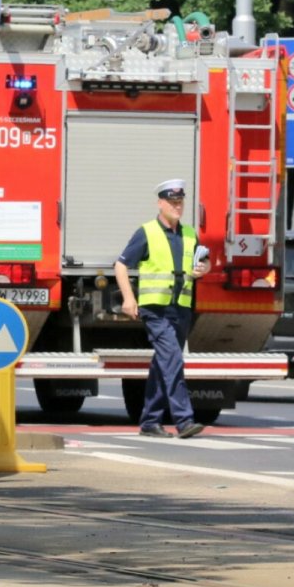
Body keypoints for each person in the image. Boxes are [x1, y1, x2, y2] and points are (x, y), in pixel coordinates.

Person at [114, 178, 211, 438]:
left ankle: (149, 421)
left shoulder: (190, 233)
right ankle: (184, 420)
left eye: (180, 202)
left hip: (181, 308)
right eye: (172, 202)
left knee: (162, 364)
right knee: (173, 360)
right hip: (154, 309)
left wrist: (204, 269)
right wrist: (128, 299)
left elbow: (205, 262)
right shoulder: (147, 232)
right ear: (160, 203)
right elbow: (121, 265)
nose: (177, 207)